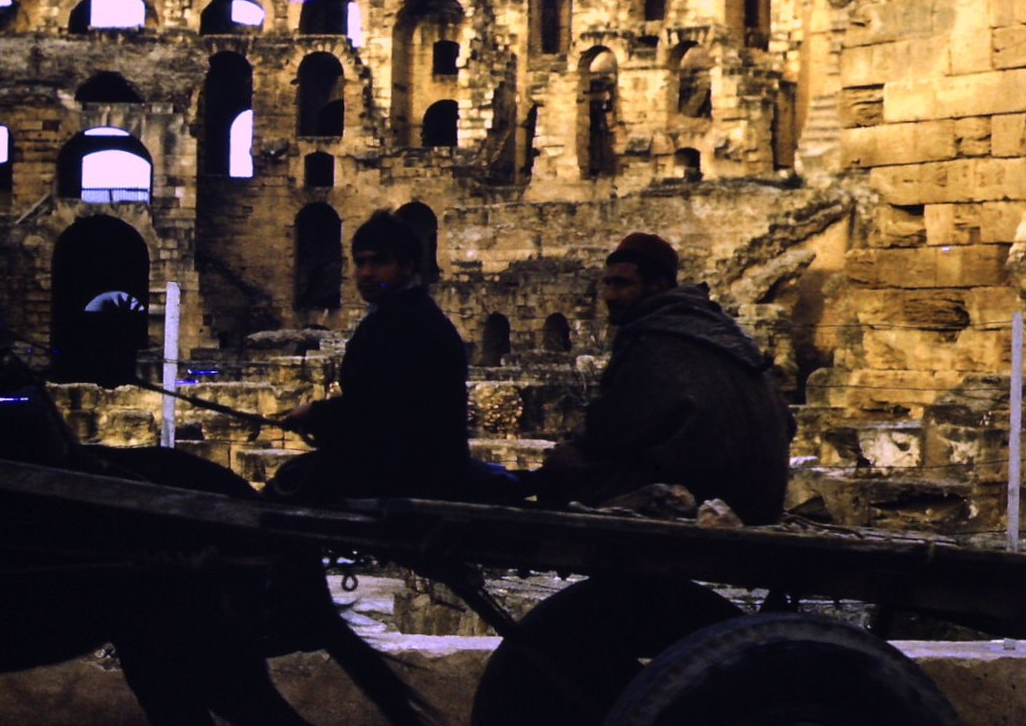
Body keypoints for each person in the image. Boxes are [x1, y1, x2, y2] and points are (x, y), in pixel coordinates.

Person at [523, 233, 795, 524]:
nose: (610, 296)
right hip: (763, 499)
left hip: (709, 493)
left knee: (563, 466)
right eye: (607, 283)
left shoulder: (652, 337)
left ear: (658, 286)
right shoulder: (724, 329)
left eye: (622, 284)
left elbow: (607, 432)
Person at [266, 210, 476, 502]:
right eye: (360, 262)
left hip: (409, 473)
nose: (366, 273)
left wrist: (316, 413)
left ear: (408, 265)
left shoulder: (413, 324)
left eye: (379, 261)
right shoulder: (391, 318)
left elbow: (387, 410)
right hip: (394, 464)